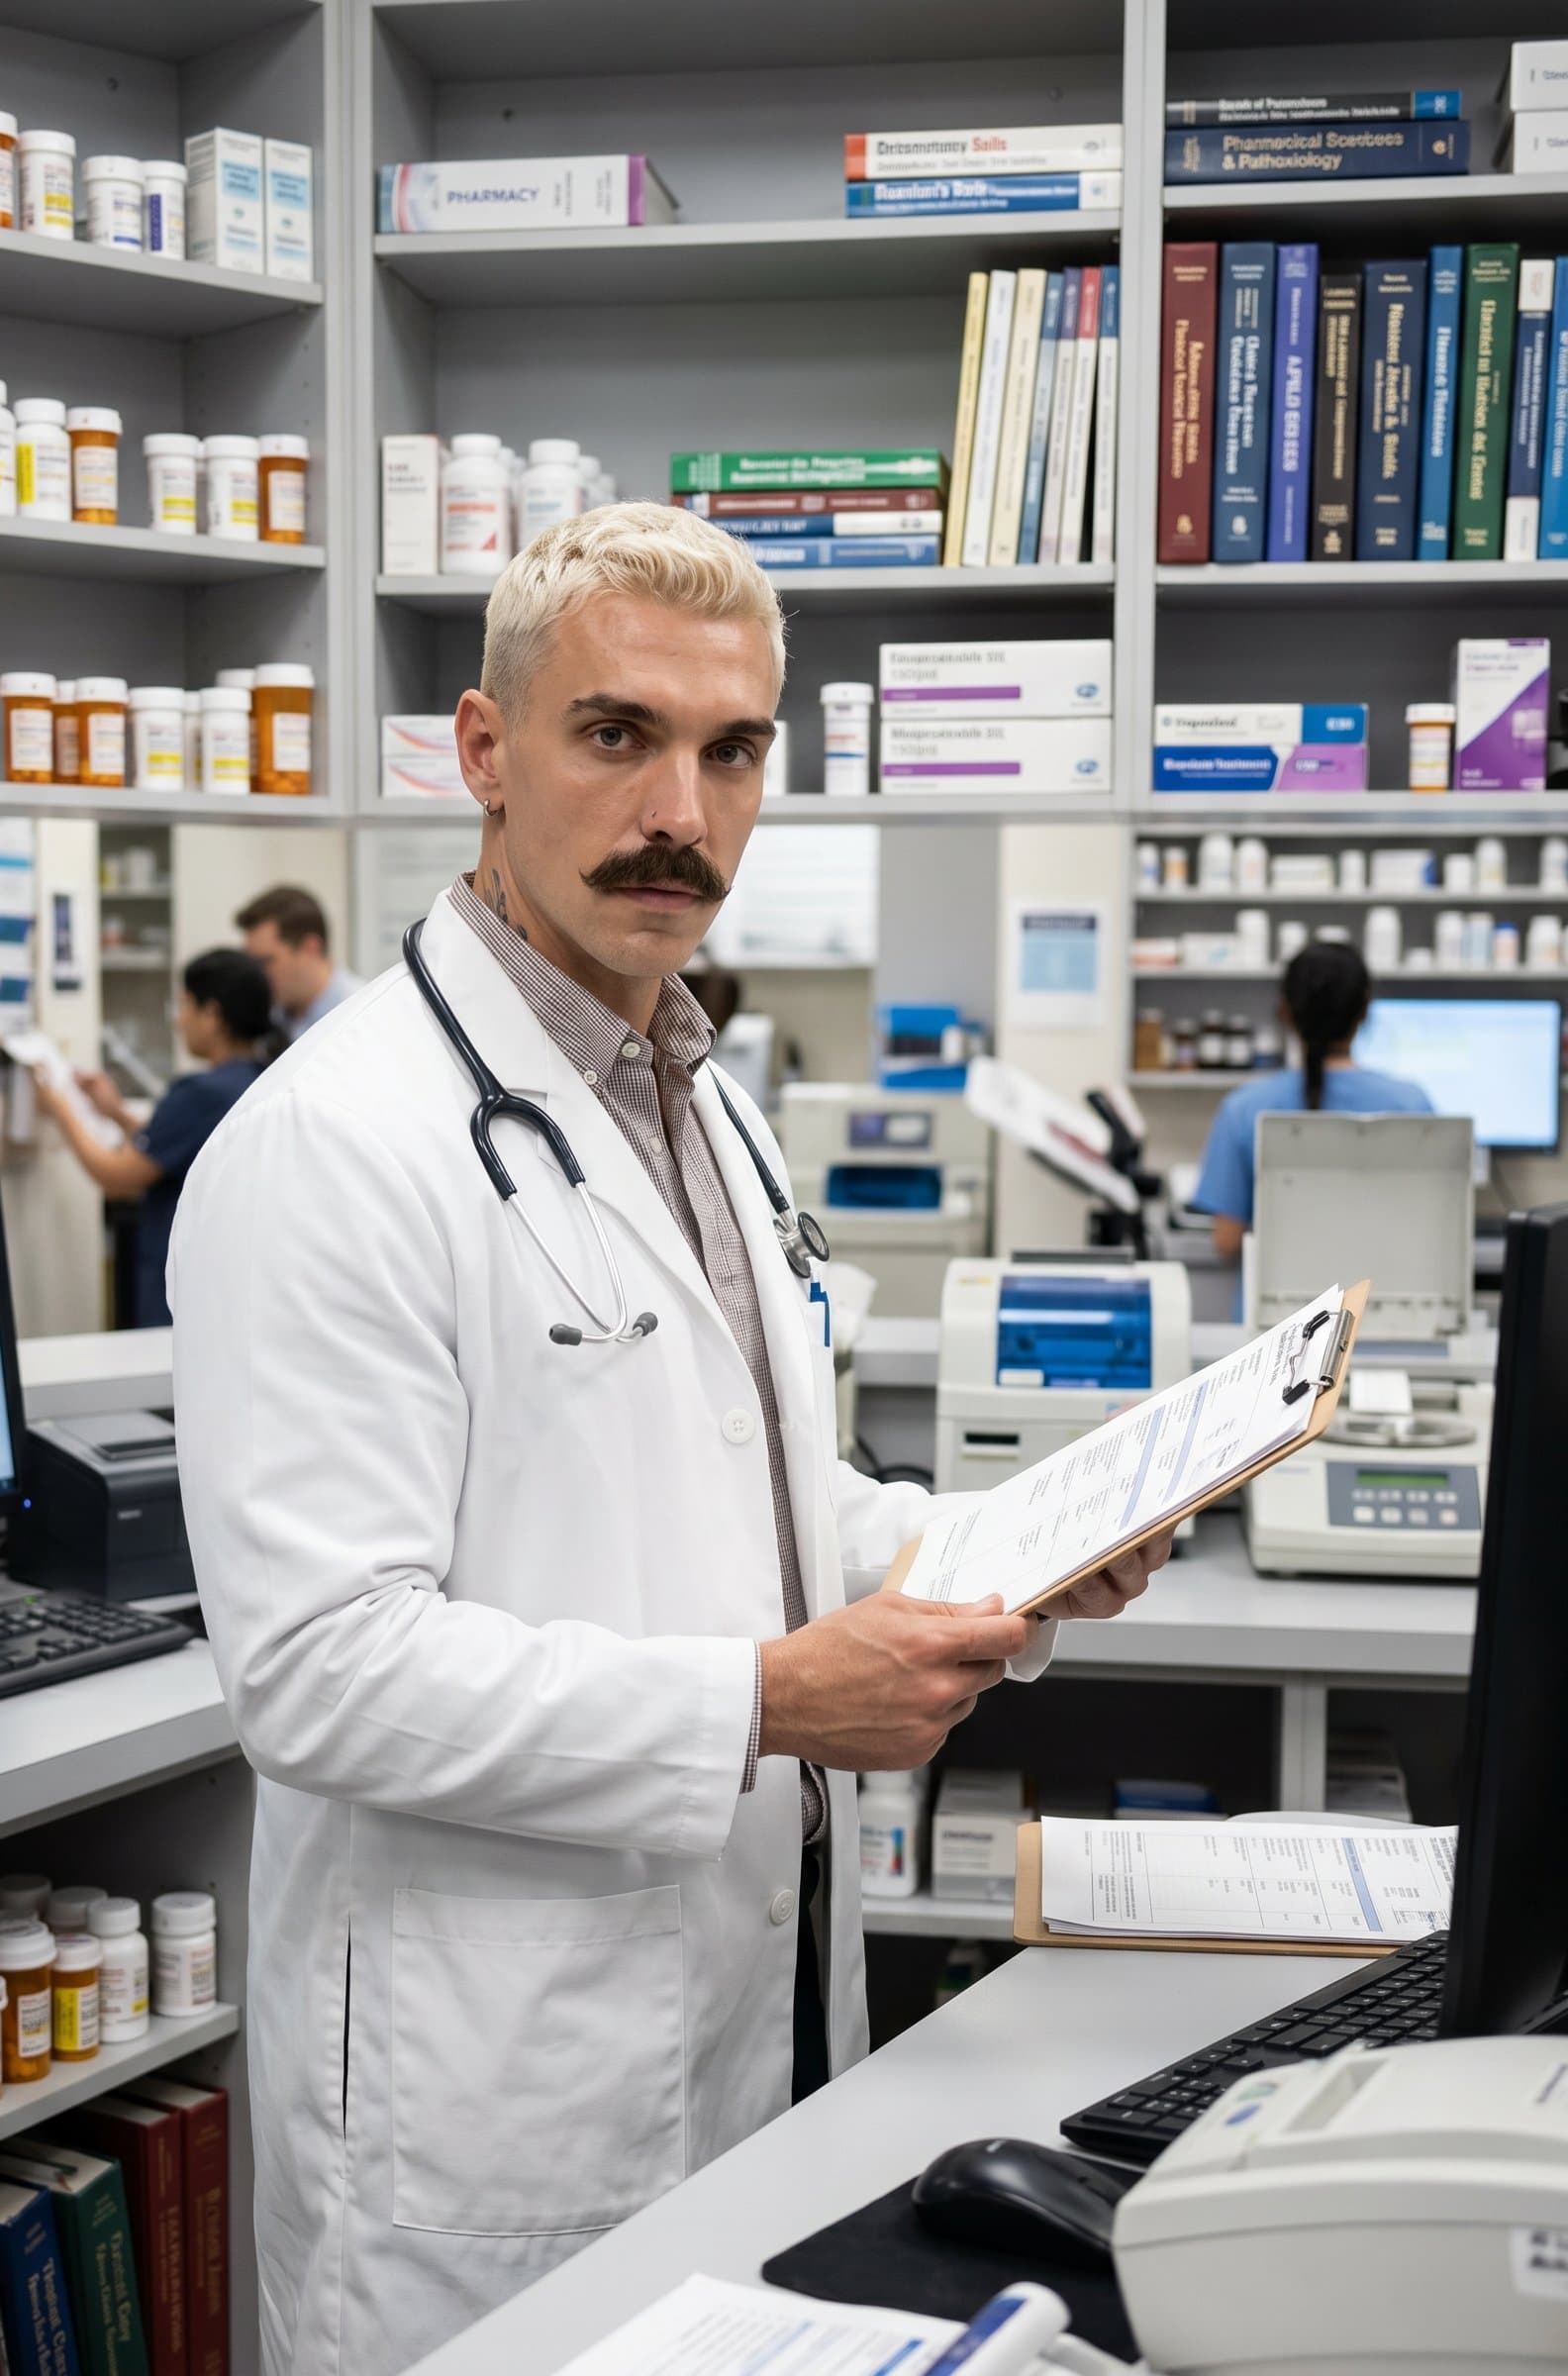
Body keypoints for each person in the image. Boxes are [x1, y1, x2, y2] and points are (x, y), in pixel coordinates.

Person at [167, 503, 1170, 2376]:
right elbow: (316, 1674)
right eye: (615, 735)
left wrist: (1003, 1554)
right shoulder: (335, 1145)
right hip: (497, 2104)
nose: (677, 814)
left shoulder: (703, 1100)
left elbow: (764, 1502)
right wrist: (770, 1706)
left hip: (748, 2011)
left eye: (729, 752)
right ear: (484, 750)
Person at [34, 946, 269, 1327]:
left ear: (211, 1014)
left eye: (184, 1006)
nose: (178, 1021)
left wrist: (60, 1106)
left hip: (181, 1294)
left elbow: (117, 1178)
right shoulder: (258, 1077)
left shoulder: (200, 1092)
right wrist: (115, 1113)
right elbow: (183, 1150)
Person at [1193, 941, 1433, 1261]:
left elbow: (1227, 1242)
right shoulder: (1410, 1105)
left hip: (1276, 1313)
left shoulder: (1244, 1109)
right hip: (1376, 1306)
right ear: (1364, 1010)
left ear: (1285, 1012)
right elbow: (1430, 1229)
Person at [235, 882, 364, 1042]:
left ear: (311, 949)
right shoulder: (269, 1019)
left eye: (264, 962)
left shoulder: (364, 1016)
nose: (256, 975)